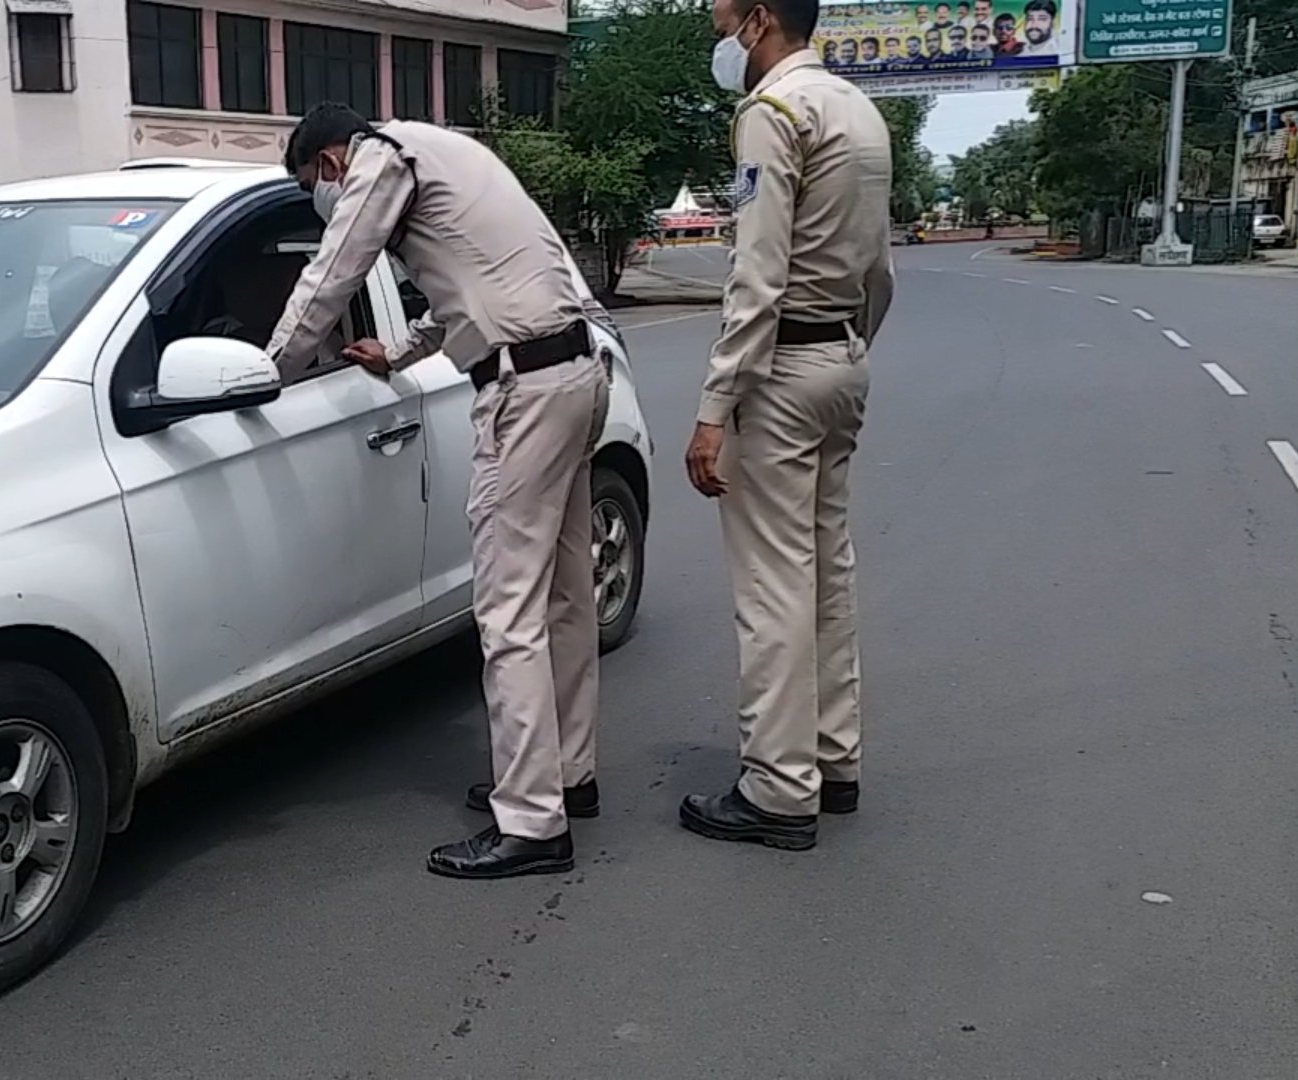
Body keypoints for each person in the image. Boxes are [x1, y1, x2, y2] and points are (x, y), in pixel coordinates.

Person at [264, 102, 611, 880]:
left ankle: (530, 823)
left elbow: (332, 273)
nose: (325, 198)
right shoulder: (444, 149)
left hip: (525, 391)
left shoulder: (378, 159)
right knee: (564, 597)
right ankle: (565, 777)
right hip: (576, 370)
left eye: (314, 186)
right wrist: (398, 351)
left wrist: (267, 371)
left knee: (509, 609)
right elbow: (469, 294)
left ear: (327, 165)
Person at [682, 0, 895, 851]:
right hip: (843, 360)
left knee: (773, 585)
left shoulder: (770, 113)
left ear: (759, 20)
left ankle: (777, 787)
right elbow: (879, 265)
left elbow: (755, 277)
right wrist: (847, 350)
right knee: (826, 575)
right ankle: (832, 760)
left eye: (720, 20)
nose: (716, 38)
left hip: (781, 374)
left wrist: (714, 408)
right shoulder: (859, 110)